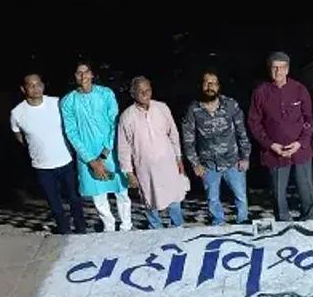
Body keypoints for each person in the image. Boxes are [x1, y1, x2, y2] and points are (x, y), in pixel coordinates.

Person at [10, 73, 86, 234]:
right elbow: (19, 136)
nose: (35, 88)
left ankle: (81, 229)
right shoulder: (17, 113)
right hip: (42, 166)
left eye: (38, 84)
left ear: (43, 86)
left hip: (66, 161)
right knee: (54, 202)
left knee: (74, 198)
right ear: (23, 89)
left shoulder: (57, 103)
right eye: (31, 85)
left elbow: (71, 126)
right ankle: (64, 230)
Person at [61, 60, 132, 232]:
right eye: (79, 72)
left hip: (110, 151)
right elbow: (71, 132)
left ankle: (126, 226)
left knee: (121, 191)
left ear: (92, 75)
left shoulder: (106, 94)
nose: (83, 75)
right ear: (75, 76)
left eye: (86, 72)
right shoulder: (68, 101)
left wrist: (104, 154)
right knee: (98, 195)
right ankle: (109, 225)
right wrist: (91, 160)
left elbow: (114, 123)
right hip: (87, 156)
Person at [247, 51, 313, 222]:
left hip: (300, 149)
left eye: (282, 67)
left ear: (288, 69)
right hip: (275, 151)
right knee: (278, 193)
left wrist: (301, 142)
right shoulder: (260, 92)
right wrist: (270, 145)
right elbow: (254, 123)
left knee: (306, 189)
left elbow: (309, 119)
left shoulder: (299, 89)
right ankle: (283, 225)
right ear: (269, 69)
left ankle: (309, 220)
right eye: (274, 68)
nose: (278, 72)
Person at [117, 76, 190, 229]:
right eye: (140, 91)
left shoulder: (162, 108)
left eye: (148, 90)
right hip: (145, 168)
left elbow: (173, 134)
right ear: (133, 93)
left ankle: (178, 227)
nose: (145, 94)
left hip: (168, 163)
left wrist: (179, 158)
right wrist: (129, 173)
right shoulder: (127, 117)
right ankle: (155, 230)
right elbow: (124, 147)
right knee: (149, 200)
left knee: (174, 198)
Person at [182, 69, 252, 225]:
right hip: (208, 164)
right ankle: (217, 224)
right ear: (201, 86)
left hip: (232, 161)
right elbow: (188, 139)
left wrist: (245, 157)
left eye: (213, 83)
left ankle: (243, 222)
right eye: (206, 83)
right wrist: (195, 163)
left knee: (240, 195)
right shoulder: (193, 110)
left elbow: (242, 132)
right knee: (212, 199)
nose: (209, 86)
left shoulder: (230, 105)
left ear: (218, 86)